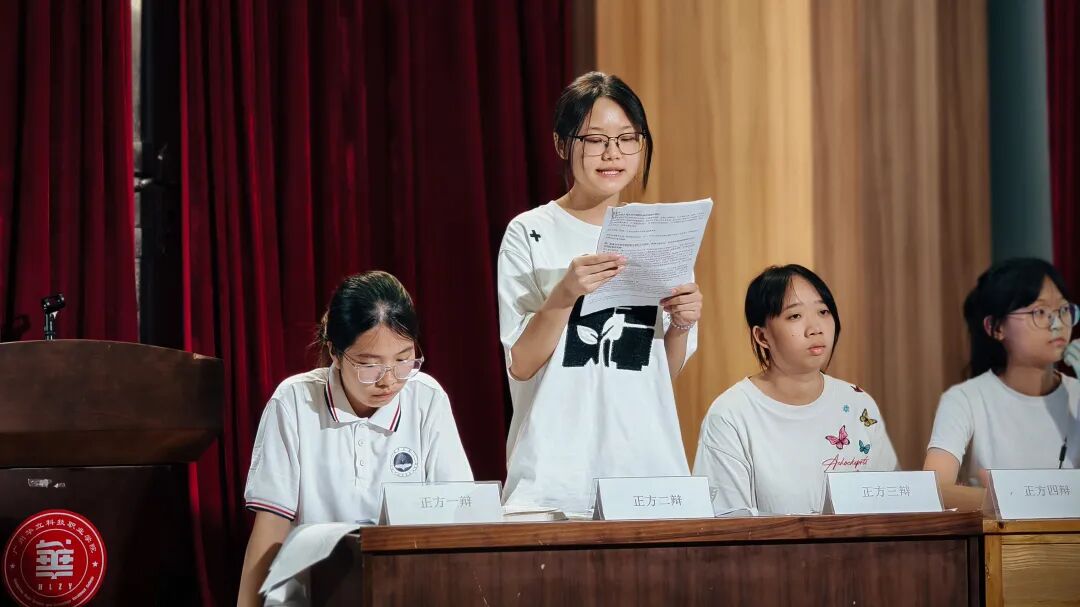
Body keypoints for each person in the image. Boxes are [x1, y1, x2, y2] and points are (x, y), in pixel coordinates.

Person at [497, 71, 703, 515]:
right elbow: (521, 363)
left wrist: (682, 324)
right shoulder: (530, 232)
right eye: (595, 140)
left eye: (628, 139)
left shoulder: (658, 232)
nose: (613, 154)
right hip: (556, 475)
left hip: (646, 471)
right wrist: (564, 294)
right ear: (562, 144)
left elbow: (657, 374)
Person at [237, 271, 472, 605]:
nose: (389, 381)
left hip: (405, 592)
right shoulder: (294, 402)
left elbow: (459, 513)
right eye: (369, 365)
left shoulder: (426, 399)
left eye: (403, 360)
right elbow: (270, 528)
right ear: (335, 352)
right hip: (314, 596)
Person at [694, 264, 898, 514]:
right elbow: (727, 521)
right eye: (794, 316)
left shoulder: (858, 403)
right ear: (762, 337)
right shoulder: (730, 414)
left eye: (823, 311)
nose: (816, 328)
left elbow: (890, 504)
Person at [924, 258, 1079, 507]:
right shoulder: (966, 399)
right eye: (1040, 312)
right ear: (996, 328)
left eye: (1063, 310)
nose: (1057, 324)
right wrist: (1014, 500)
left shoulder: (1076, 394)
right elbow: (934, 489)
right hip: (999, 534)